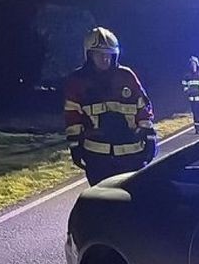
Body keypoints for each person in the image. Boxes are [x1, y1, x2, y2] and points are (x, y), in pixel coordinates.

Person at [63, 27, 157, 186]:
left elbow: (143, 108)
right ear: (89, 55)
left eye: (108, 54)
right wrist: (75, 145)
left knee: (132, 203)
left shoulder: (126, 76)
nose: (105, 59)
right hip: (97, 159)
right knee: (103, 205)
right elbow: (73, 116)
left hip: (131, 156)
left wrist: (150, 137)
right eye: (99, 54)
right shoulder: (78, 81)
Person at [181, 56, 199, 135]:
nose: (193, 65)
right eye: (191, 64)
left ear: (197, 64)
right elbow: (184, 86)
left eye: (194, 64)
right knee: (195, 114)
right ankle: (197, 129)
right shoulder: (187, 76)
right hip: (192, 99)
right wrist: (188, 91)